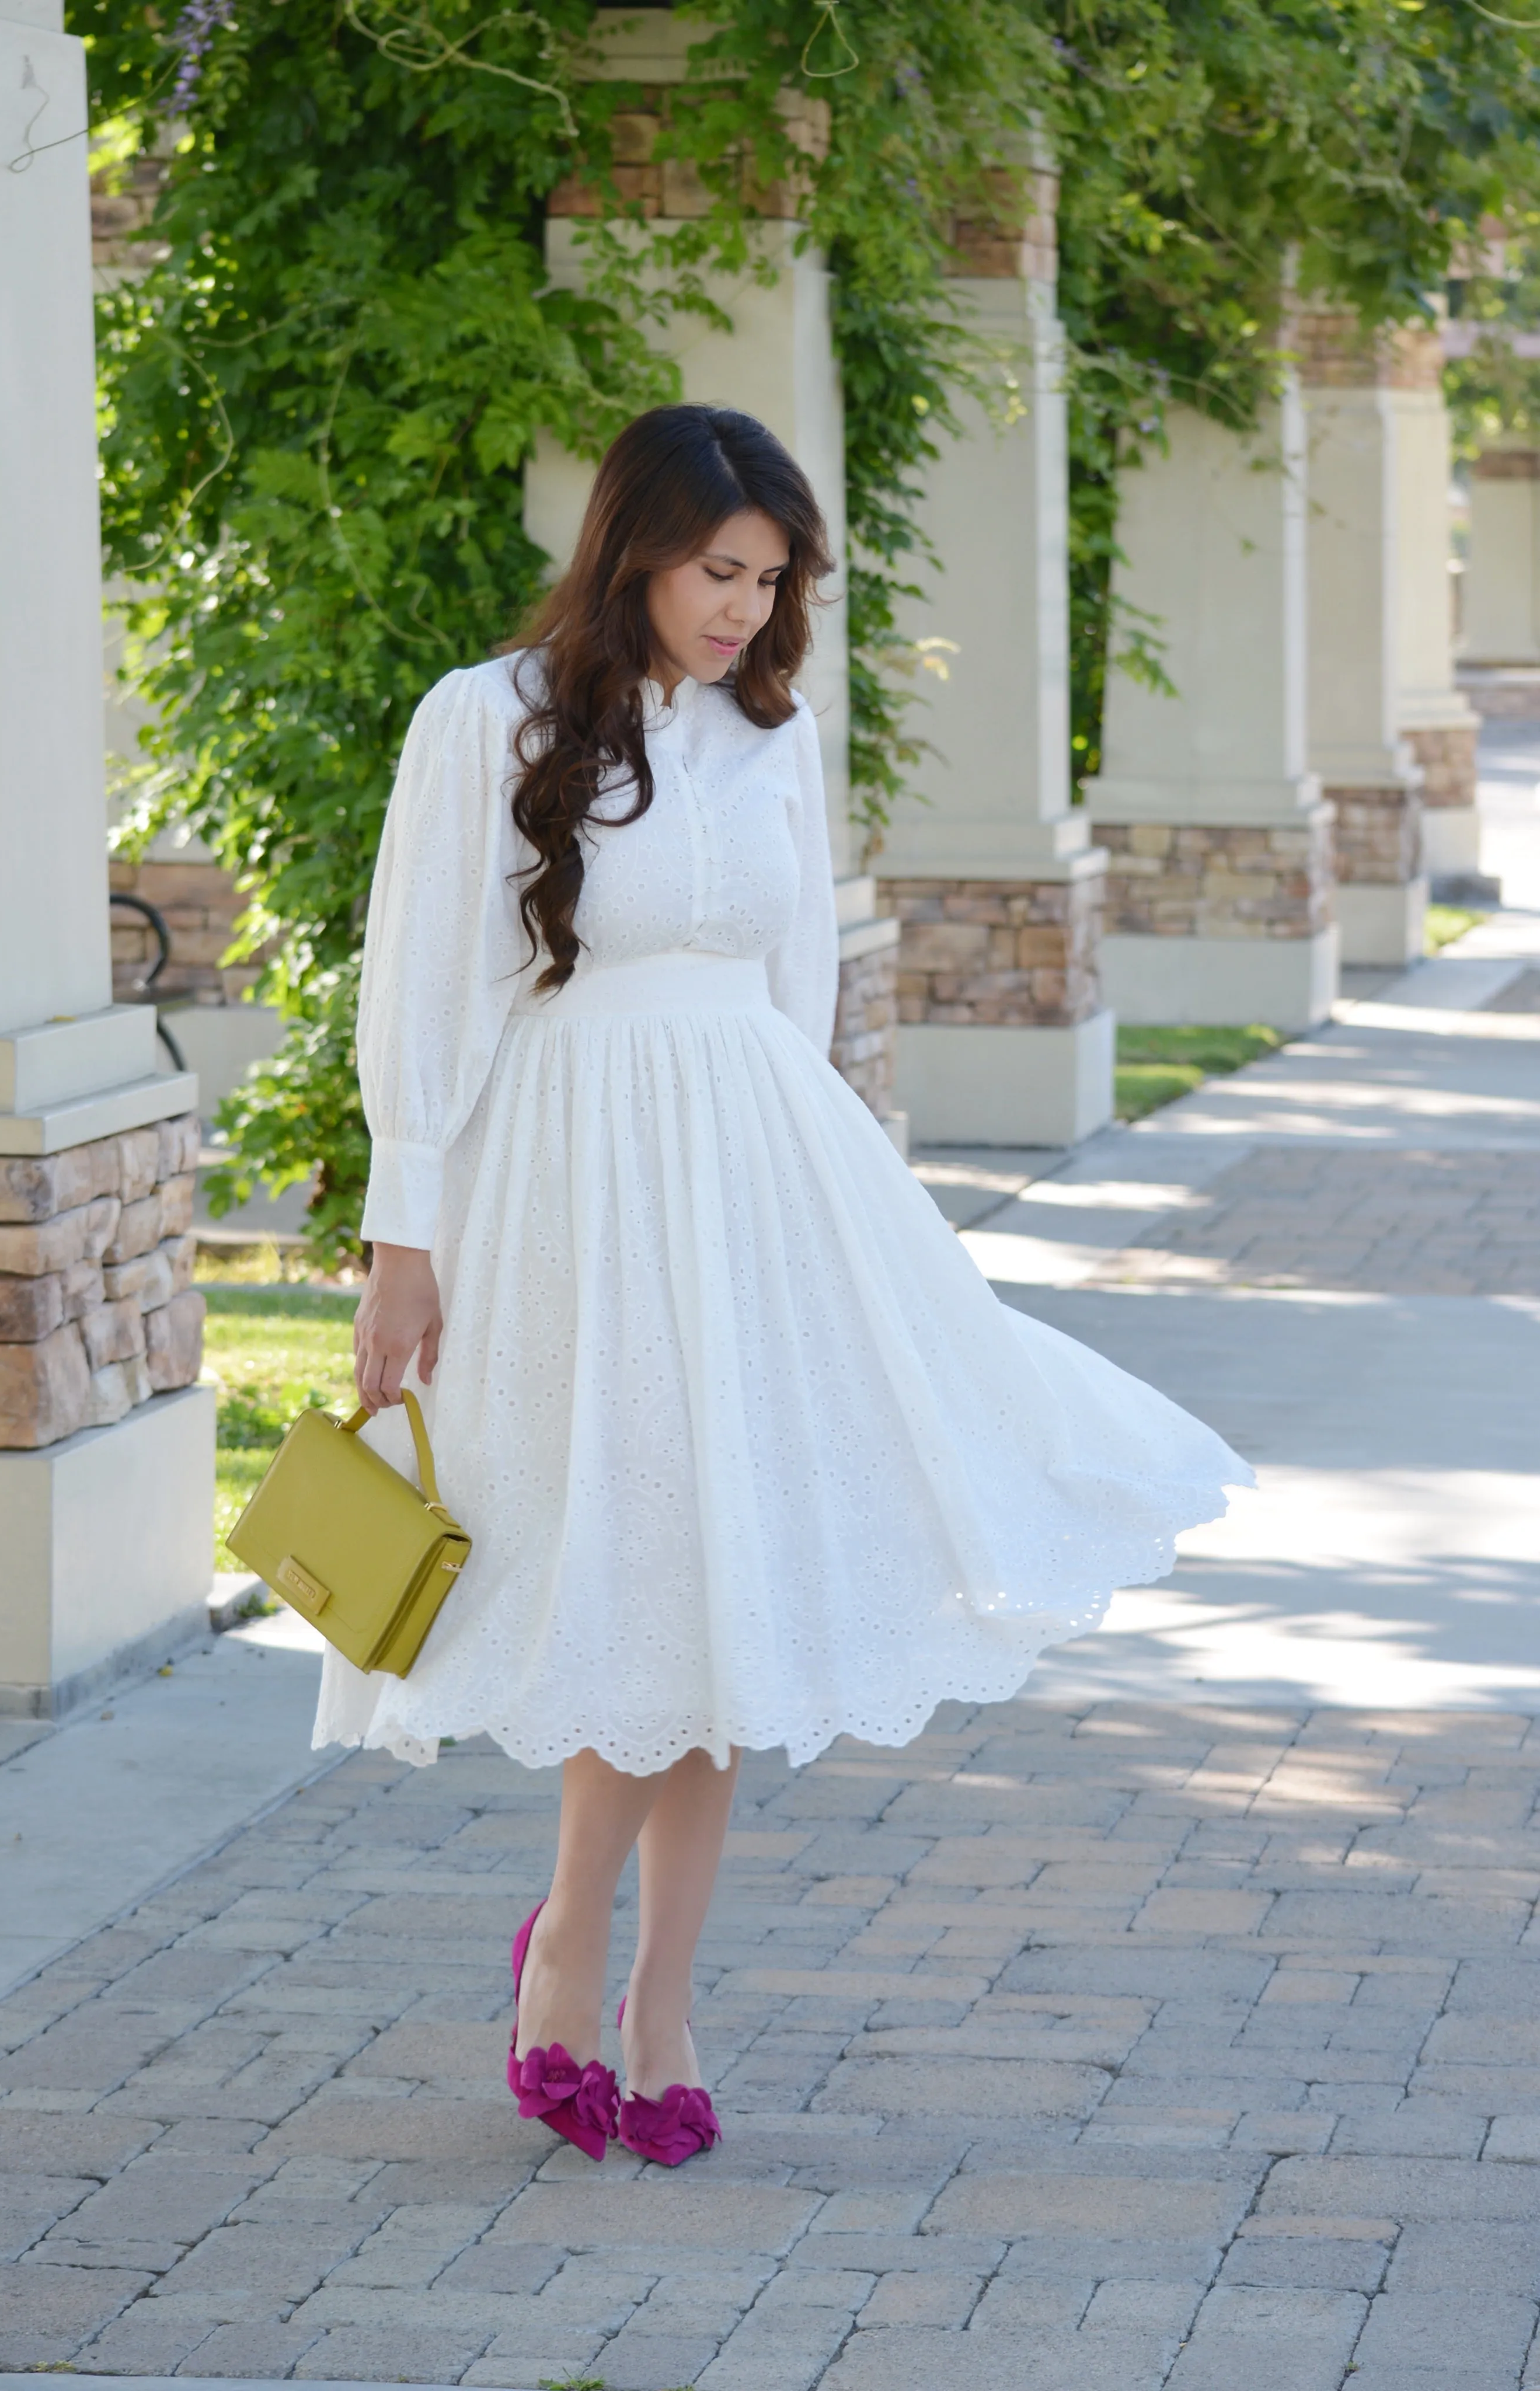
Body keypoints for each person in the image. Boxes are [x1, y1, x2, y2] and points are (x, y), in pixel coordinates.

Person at [317, 402, 1252, 2169]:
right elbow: (425, 995)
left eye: (773, 579)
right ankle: (572, 1945)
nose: (746, 609)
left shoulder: (772, 733)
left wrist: (830, 1216)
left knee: (732, 1580)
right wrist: (402, 1240)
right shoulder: (485, 723)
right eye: (719, 571)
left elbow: (798, 993)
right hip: (571, 1188)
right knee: (641, 1564)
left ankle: (654, 1992)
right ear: (636, 549)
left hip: (751, 1179)